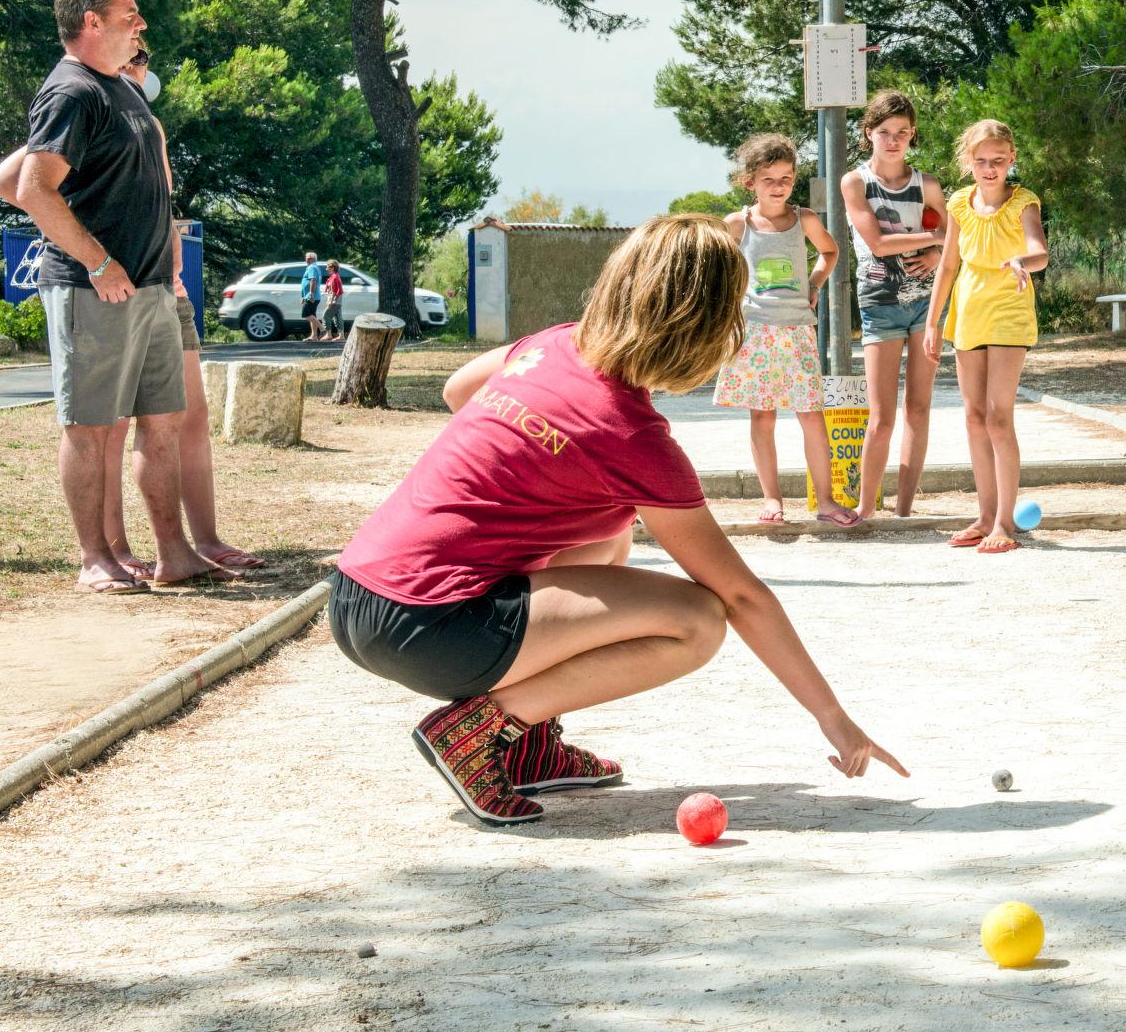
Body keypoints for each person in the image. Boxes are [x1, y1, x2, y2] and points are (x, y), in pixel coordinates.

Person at [329, 214, 906, 826]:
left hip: (355, 599)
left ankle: (528, 751)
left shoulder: (553, 343)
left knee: (608, 536)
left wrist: (531, 475)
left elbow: (456, 390)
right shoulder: (631, 436)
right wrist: (834, 720)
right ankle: (476, 731)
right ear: (705, 325)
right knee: (697, 621)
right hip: (429, 628)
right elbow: (739, 595)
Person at [0, 42, 261, 581]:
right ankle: (108, 552)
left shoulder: (142, 117)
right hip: (102, 287)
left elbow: (158, 199)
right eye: (134, 52)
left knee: (175, 417)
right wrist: (91, 252)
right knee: (101, 424)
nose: (140, 61)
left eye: (144, 54)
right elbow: (13, 185)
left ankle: (185, 547)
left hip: (161, 285)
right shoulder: (79, 99)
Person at [714, 134, 857, 528]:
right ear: (750, 182)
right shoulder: (736, 225)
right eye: (769, 179)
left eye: (786, 178)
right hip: (754, 333)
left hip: (797, 331)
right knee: (762, 417)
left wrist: (814, 284)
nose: (778, 187)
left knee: (812, 416)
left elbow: (830, 252)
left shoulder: (805, 219)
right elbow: (720, 272)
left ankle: (825, 501)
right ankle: (771, 499)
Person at [924, 119, 1048, 554]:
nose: (990, 168)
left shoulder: (1024, 202)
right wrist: (932, 321)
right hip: (968, 313)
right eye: (981, 161)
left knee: (999, 417)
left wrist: (1021, 261)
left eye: (998, 160)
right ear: (969, 163)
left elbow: (1040, 252)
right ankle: (984, 514)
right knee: (974, 417)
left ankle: (1004, 524)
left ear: (1011, 159)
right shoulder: (959, 203)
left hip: (1009, 312)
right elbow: (948, 266)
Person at [840, 91, 945, 520]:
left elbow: (954, 238)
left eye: (902, 132)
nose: (893, 140)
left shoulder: (929, 185)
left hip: (926, 304)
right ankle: (866, 509)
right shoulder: (856, 182)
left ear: (912, 135)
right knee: (881, 417)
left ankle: (904, 509)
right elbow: (878, 243)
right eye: (884, 132)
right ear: (869, 134)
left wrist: (939, 254)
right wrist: (934, 239)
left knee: (918, 409)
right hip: (879, 304)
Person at [299, 252, 327, 341]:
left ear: (312, 259)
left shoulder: (312, 267)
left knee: (306, 314)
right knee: (312, 315)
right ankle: (314, 336)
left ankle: (322, 328)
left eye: (307, 257)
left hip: (312, 296)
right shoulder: (313, 267)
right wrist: (303, 296)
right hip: (311, 295)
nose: (306, 259)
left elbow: (313, 280)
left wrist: (310, 293)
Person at [321, 259, 346, 340]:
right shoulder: (334, 276)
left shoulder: (334, 277)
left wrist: (330, 302)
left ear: (332, 267)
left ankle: (328, 334)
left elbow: (335, 291)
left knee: (325, 316)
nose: (326, 269)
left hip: (335, 301)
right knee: (337, 317)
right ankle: (341, 336)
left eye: (328, 267)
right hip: (337, 301)